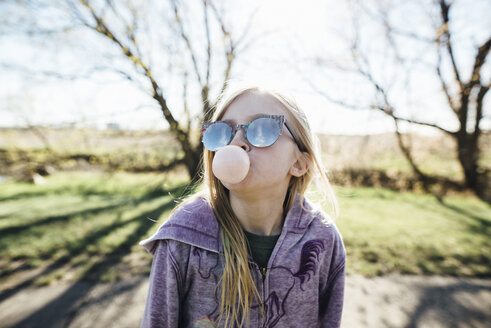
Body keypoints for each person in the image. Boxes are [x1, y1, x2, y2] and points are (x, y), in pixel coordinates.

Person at [139, 84, 346, 328]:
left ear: (299, 164)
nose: (236, 142)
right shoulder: (181, 239)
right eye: (222, 132)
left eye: (262, 129)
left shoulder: (323, 240)